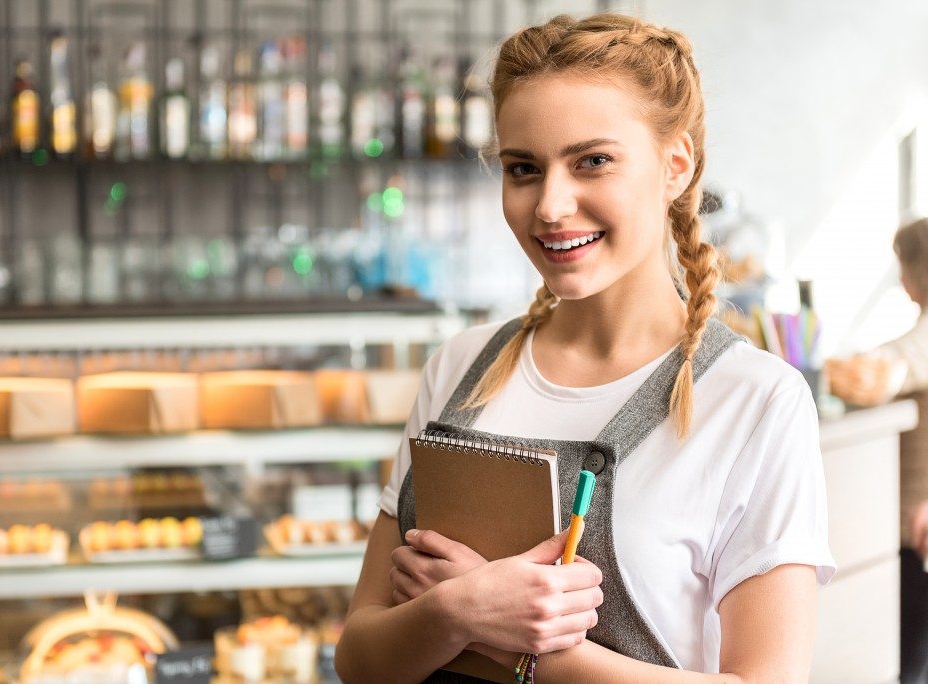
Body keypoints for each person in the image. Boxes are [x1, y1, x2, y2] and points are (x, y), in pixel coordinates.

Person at [335, 13, 835, 682]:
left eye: (592, 161)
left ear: (675, 166)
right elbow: (361, 658)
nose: (549, 205)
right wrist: (454, 612)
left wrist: (522, 641)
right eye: (523, 168)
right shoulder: (460, 371)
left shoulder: (755, 401)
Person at [826, 214, 928, 683]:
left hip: (922, 534)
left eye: (903, 264)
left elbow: (886, 370)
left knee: (906, 669)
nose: (900, 279)